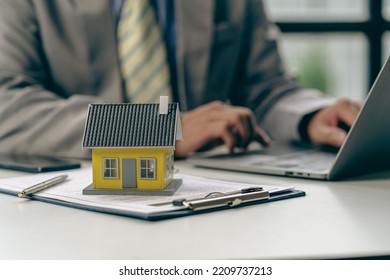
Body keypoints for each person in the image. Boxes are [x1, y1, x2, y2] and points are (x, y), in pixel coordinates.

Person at [0, 0, 361, 159]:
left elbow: (264, 88)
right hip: (73, 204)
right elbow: (7, 106)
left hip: (216, 197)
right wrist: (159, 129)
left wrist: (311, 114)